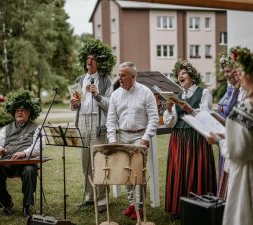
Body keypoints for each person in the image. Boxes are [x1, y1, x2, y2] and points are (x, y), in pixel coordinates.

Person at [207, 47, 253, 225]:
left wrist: (219, 139)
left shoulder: (247, 109)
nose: (238, 75)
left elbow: (238, 152)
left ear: (251, 74)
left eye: (242, 71)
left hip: (248, 176)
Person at [163, 60, 217, 217]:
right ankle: (180, 209)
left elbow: (206, 117)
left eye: (184, 73)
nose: (180, 75)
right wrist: (168, 109)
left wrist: (191, 110)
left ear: (192, 76)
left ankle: (199, 209)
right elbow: (170, 122)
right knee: (180, 172)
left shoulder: (203, 93)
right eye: (178, 74)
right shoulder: (177, 96)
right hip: (179, 139)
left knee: (196, 171)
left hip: (196, 138)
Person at [106, 62, 159, 220]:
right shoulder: (115, 95)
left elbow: (154, 118)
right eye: (119, 74)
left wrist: (145, 138)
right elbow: (110, 119)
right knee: (125, 172)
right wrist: (112, 138)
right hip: (122, 136)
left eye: (123, 75)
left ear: (133, 77)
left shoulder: (146, 92)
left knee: (137, 172)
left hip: (139, 136)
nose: (120, 78)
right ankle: (131, 204)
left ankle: (140, 207)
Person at [70, 39, 116, 213]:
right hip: (82, 122)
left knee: (98, 161)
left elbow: (111, 105)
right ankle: (90, 197)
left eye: (93, 59)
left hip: (98, 124)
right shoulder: (79, 79)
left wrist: (97, 95)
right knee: (85, 162)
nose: (89, 61)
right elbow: (74, 102)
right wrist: (73, 103)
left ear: (99, 62)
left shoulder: (105, 81)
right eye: (87, 58)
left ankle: (103, 199)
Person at [0, 90, 45, 217]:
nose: (19, 112)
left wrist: (24, 153)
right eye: (17, 110)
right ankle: (6, 203)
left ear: (29, 113)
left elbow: (39, 147)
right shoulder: (6, 128)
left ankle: (27, 206)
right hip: (7, 162)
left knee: (30, 170)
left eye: (23, 110)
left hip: (26, 163)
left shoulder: (37, 128)